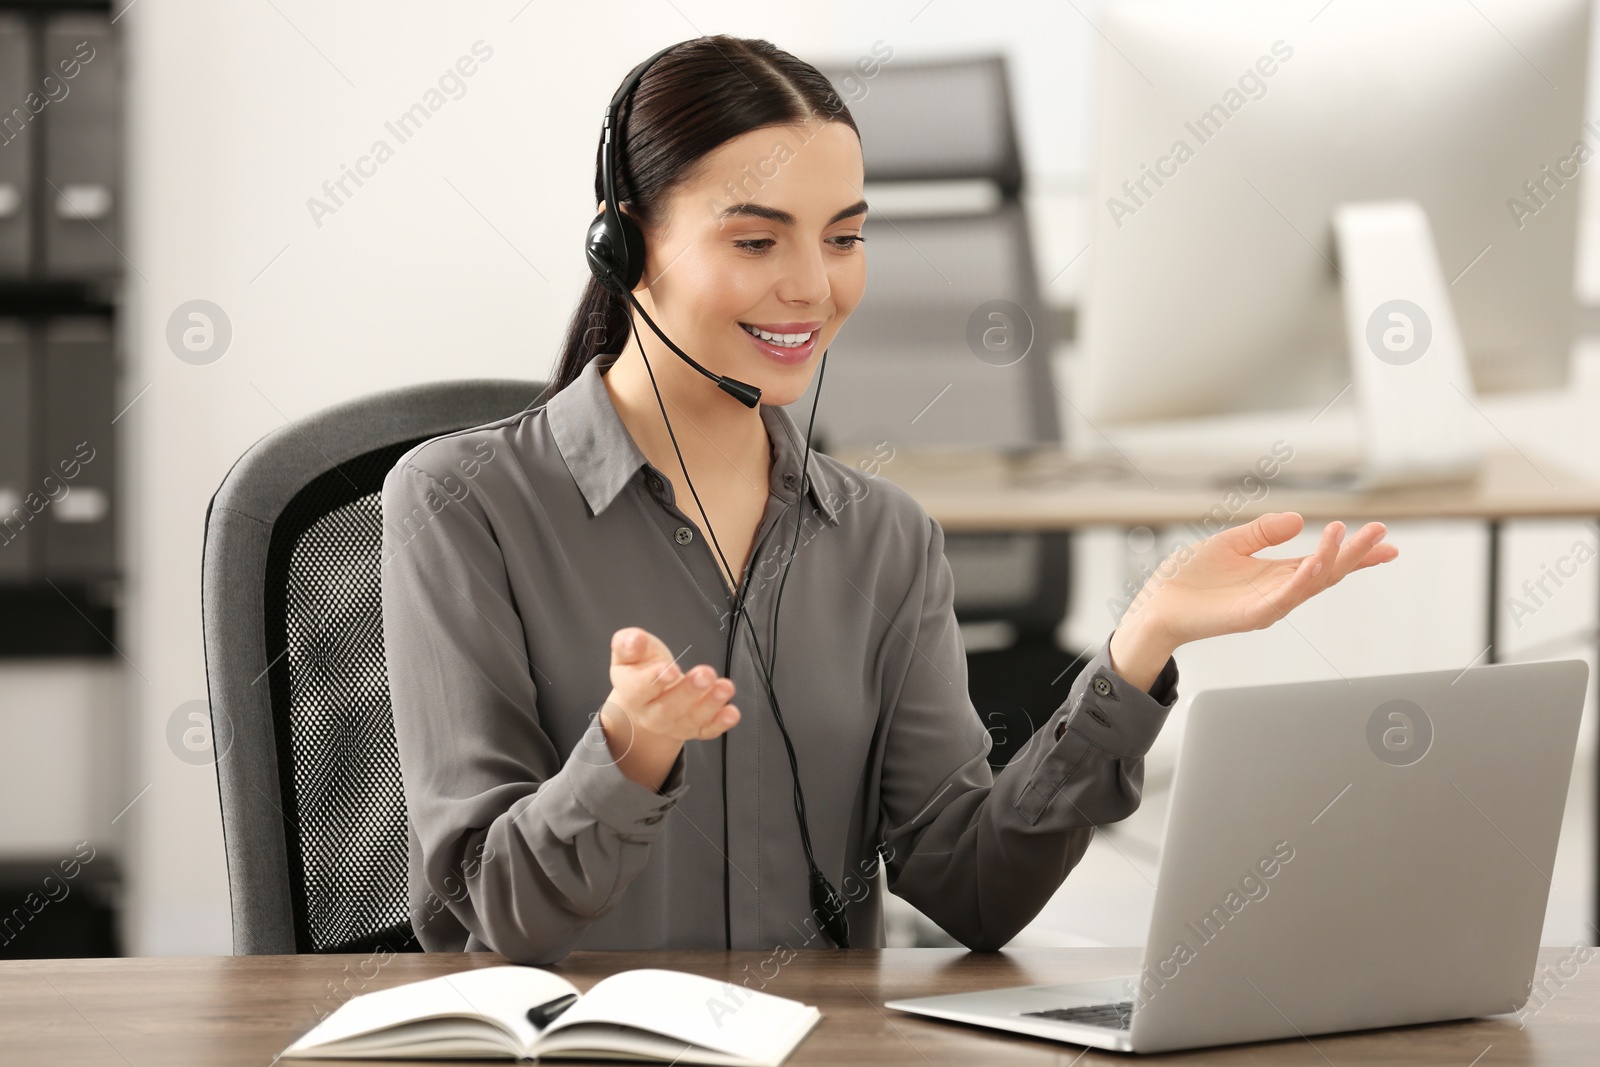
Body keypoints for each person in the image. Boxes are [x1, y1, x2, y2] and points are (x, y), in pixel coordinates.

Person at [379, 34, 1399, 967]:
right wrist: (629, 751)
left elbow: (970, 886)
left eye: (843, 237)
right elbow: (500, 915)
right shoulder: (461, 506)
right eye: (755, 241)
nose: (813, 288)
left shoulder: (882, 538)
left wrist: (1141, 643)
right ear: (625, 242)